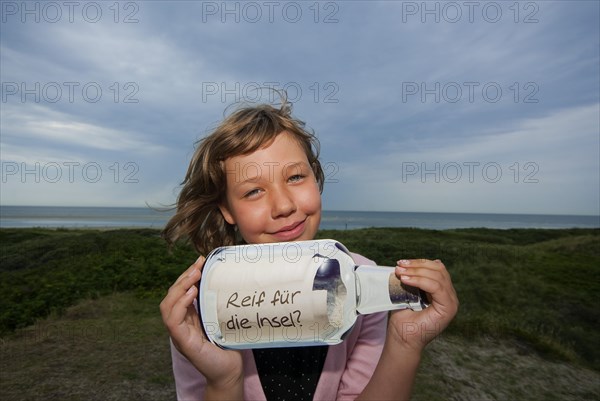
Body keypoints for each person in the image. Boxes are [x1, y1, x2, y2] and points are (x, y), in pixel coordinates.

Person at [159, 96, 459, 400]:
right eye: (253, 191)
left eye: (295, 177)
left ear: (315, 178)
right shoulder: (199, 314)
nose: (284, 205)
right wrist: (224, 381)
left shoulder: (361, 281)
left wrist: (404, 344)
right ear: (227, 210)